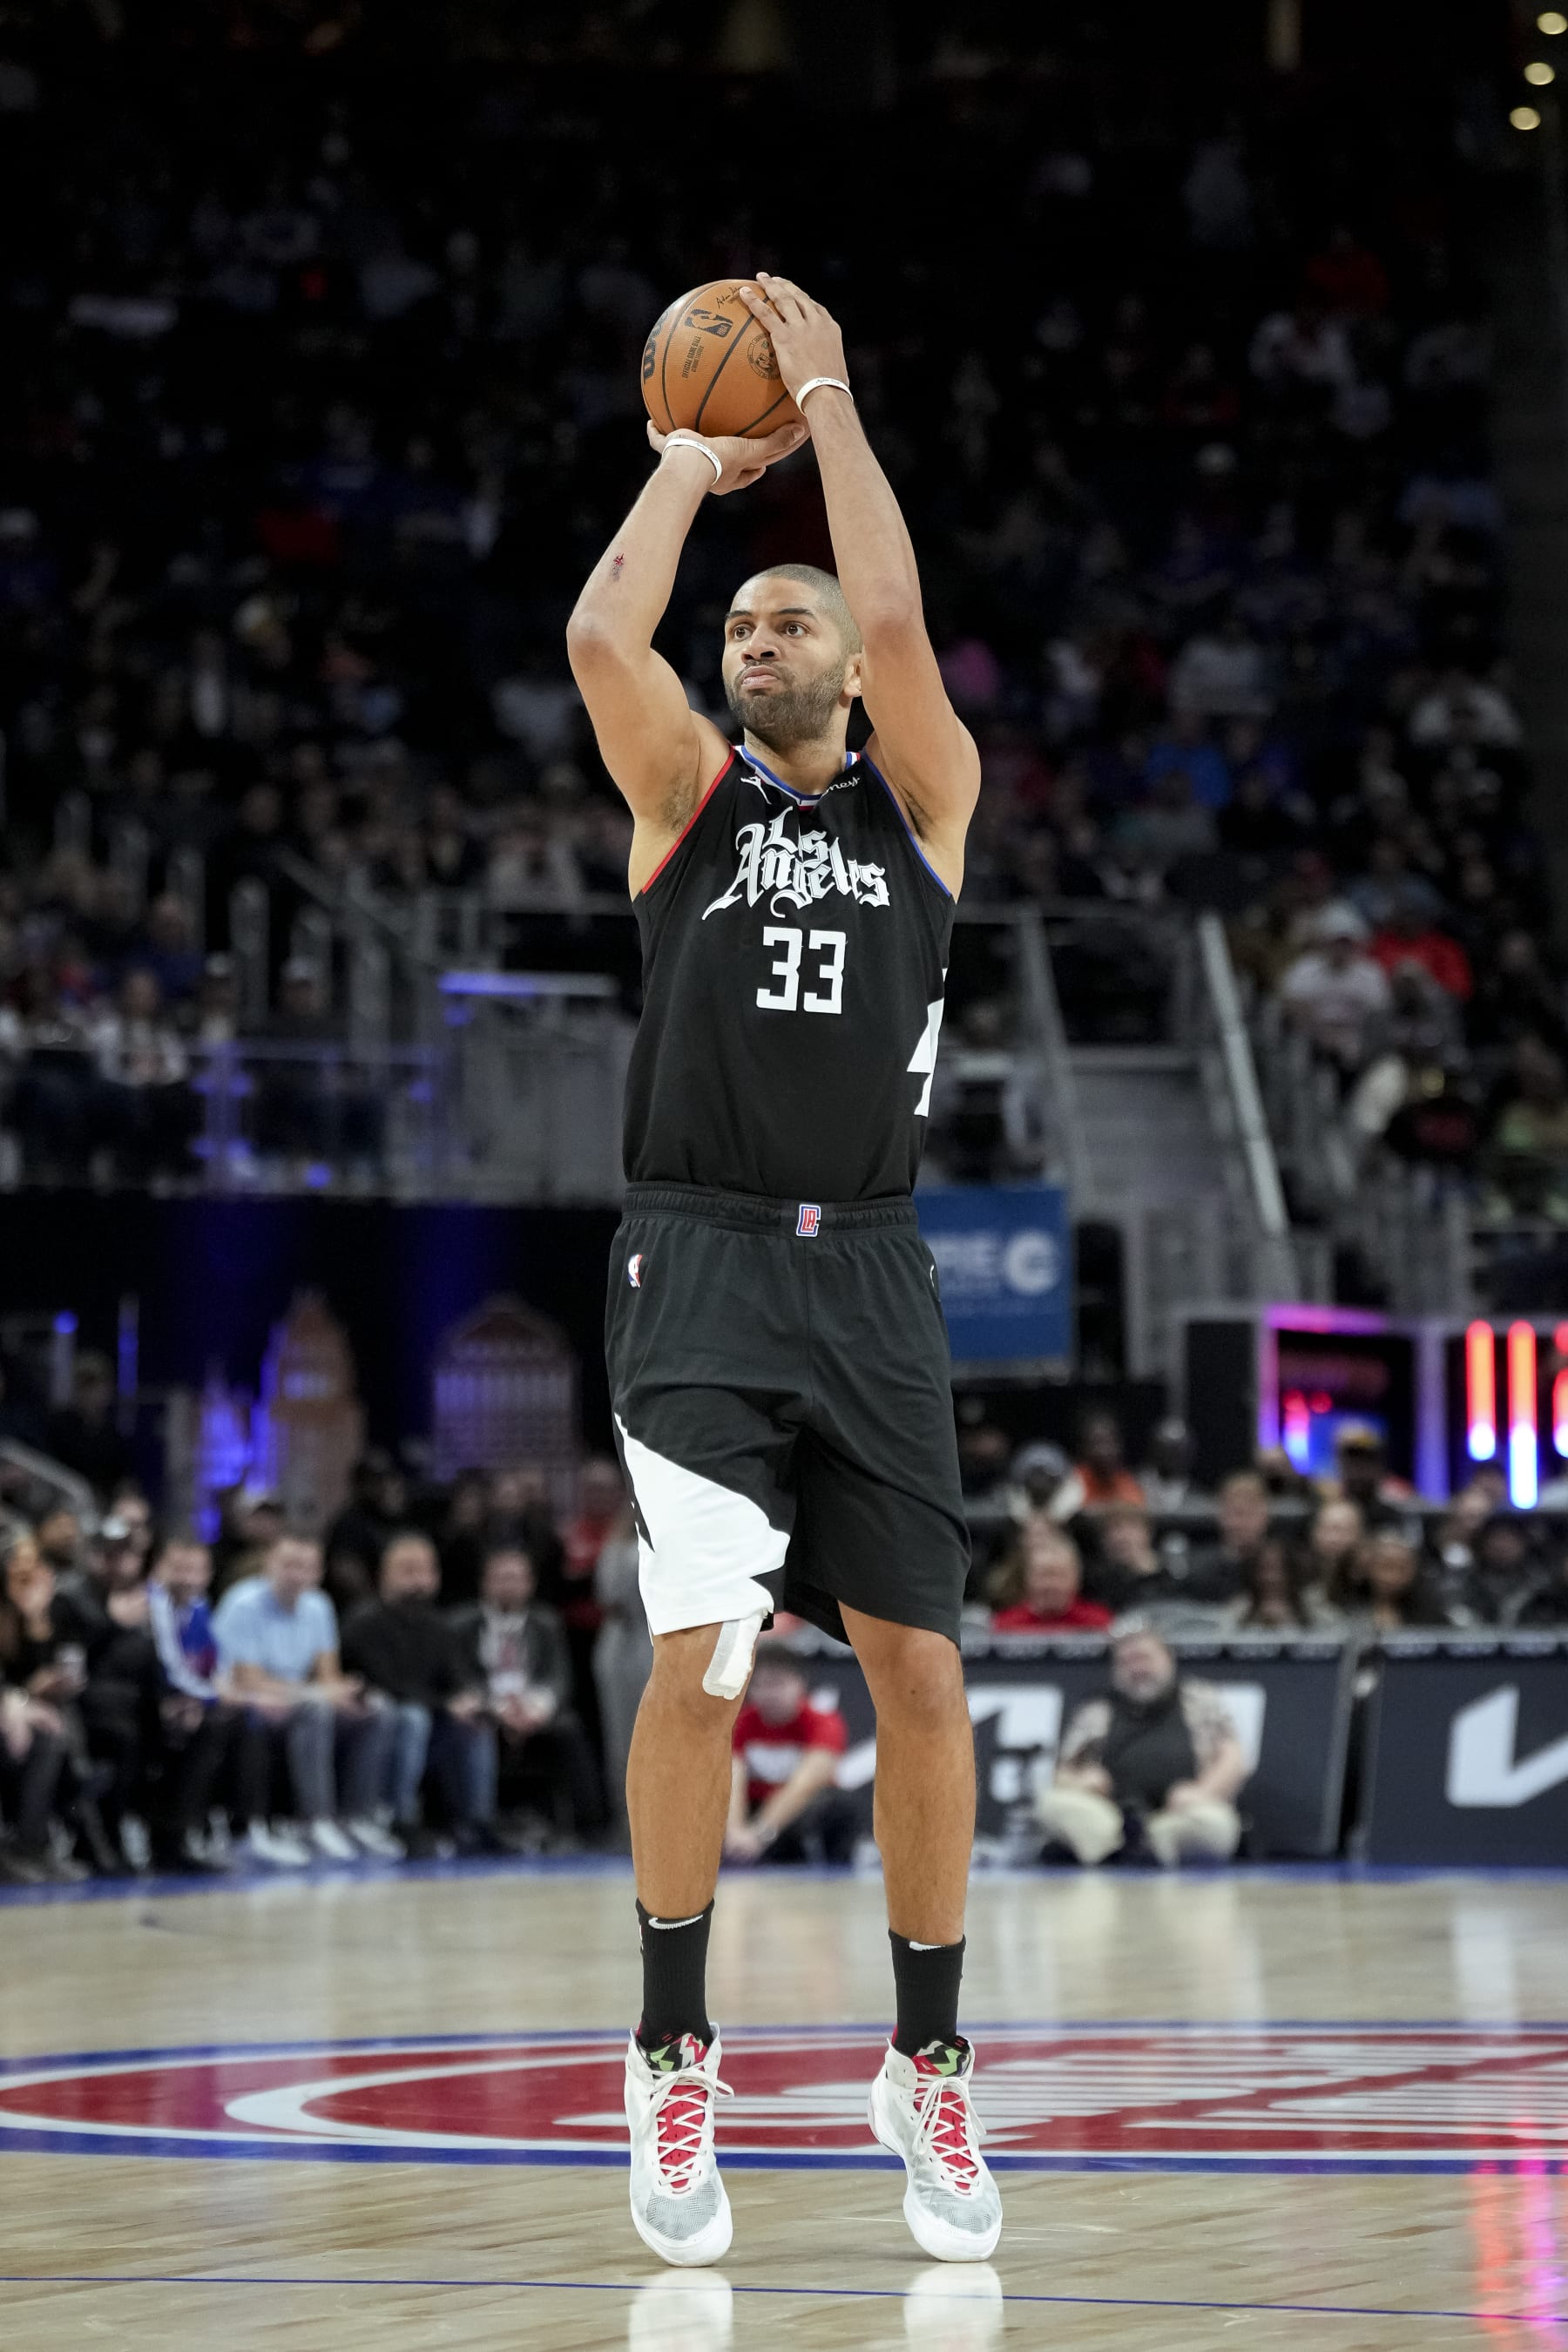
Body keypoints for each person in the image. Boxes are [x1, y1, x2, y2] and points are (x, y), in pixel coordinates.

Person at [567, 271, 1000, 2265]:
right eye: (744, 617)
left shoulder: (927, 799)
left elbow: (902, 614)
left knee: (922, 1670)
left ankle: (926, 2060)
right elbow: (597, 628)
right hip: (708, 1263)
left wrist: (823, 399)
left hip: (879, 1272)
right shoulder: (686, 799)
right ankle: (671, 2052)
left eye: (785, 613)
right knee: (703, 1659)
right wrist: (678, 468)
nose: (759, 629)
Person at [213, 1532, 398, 1862]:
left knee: (378, 1710)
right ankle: (316, 1820)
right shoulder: (242, 1604)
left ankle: (357, 1817)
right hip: (254, 1706)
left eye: (307, 1567)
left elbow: (328, 1673)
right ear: (269, 1565)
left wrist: (345, 1694)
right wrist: (316, 1693)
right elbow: (249, 1679)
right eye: (289, 1565)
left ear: (319, 1572)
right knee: (315, 1709)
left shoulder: (319, 1606)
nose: (297, 1575)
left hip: (297, 1701)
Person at [1035, 1622, 1250, 1868]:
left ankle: (1153, 1850)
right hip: (1111, 1817)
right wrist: (1082, 1782)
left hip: (1177, 1815)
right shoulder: (1097, 1709)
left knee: (1217, 1825)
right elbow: (1062, 1772)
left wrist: (1204, 1792)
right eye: (1127, 1662)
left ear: (1168, 1659)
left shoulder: (1200, 1699)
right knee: (1051, 1804)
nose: (1138, 1669)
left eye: (1144, 1658)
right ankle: (1110, 1852)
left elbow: (1232, 1757)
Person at [341, 1531, 493, 1854]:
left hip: (432, 1720)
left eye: (425, 1570)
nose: (418, 1580)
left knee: (477, 1721)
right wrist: (446, 1705)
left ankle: (477, 1824)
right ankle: (401, 1819)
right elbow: (386, 1683)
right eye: (407, 1570)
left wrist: (469, 1699)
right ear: (384, 1576)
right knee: (412, 1717)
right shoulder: (363, 1622)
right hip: (380, 1724)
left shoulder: (439, 1625)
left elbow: (458, 1677)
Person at [447, 1543, 603, 1841]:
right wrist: (500, 1709)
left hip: (533, 1708)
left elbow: (558, 1678)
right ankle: (474, 1826)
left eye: (516, 1578)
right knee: (469, 1728)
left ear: (530, 1583)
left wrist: (533, 1710)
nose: (509, 1585)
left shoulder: (546, 1623)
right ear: (485, 1582)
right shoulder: (461, 1625)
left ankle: (587, 1828)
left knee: (569, 1729)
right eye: (501, 1577)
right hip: (486, 1709)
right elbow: (460, 1677)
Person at [143, 1534, 271, 1872]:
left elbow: (213, 1663)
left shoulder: (199, 1606)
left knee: (246, 1720)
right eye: (179, 1568)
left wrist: (224, 1691)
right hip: (152, 1701)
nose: (188, 1578)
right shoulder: (154, 1603)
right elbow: (169, 1668)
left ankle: (240, 1828)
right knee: (211, 1724)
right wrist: (214, 1696)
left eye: (196, 1570)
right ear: (159, 1568)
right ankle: (175, 1835)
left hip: (189, 1699)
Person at [724, 1650, 855, 1865]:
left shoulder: (823, 1723)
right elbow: (731, 1782)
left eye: (778, 1684)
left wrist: (761, 1833)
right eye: (760, 1685)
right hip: (752, 1808)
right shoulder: (739, 1724)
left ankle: (834, 1869)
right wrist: (734, 1832)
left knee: (840, 1808)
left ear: (800, 1684)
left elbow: (805, 1785)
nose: (769, 1694)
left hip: (795, 1815)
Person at [989, 1522, 1112, 1632]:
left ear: (1076, 1579)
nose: (1051, 1585)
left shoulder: (1098, 1624)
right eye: (1044, 1575)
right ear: (1027, 1578)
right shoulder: (1005, 1627)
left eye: (1059, 1575)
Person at [1071, 1411, 1146, 1509]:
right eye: (1098, 1443)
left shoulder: (1126, 1481)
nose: (1105, 1450)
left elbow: (1137, 1510)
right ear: (1084, 1447)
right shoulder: (1074, 1480)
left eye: (1110, 1442)